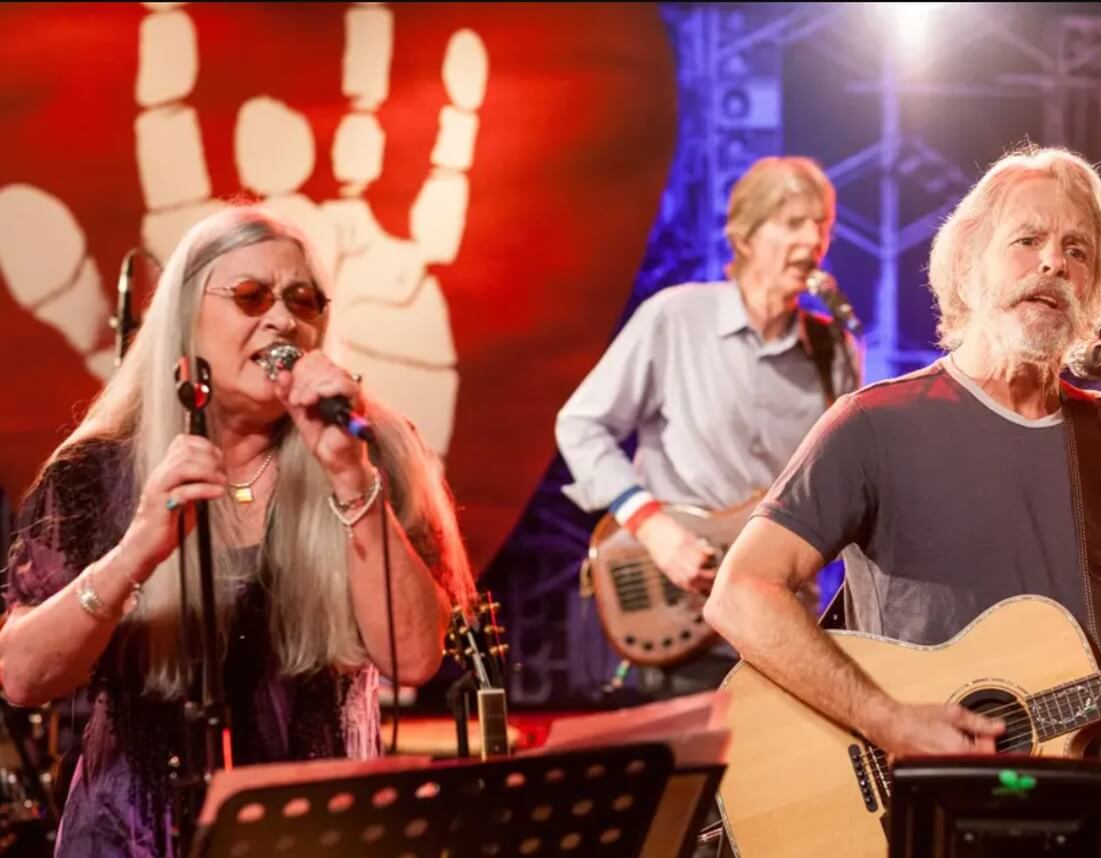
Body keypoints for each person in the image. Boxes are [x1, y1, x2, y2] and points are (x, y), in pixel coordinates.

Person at [703, 143, 1101, 759]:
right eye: (1028, 240)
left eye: (1077, 250)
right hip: (910, 810)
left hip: (1086, 810)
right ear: (971, 264)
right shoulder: (873, 424)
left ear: (1097, 287)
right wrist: (884, 718)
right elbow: (741, 593)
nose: (1054, 263)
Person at [0, 206, 473, 858]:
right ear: (186, 317)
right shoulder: (97, 473)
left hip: (319, 833)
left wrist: (350, 480)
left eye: (303, 302)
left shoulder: (373, 450)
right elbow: (22, 678)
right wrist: (137, 548)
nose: (283, 320)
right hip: (131, 838)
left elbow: (415, 658)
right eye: (251, 297)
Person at [555, 155, 861, 702]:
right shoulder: (675, 318)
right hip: (674, 603)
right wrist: (653, 527)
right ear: (744, 236)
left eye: (822, 225)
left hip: (777, 625)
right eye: (793, 223)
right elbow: (581, 425)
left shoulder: (832, 350)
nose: (812, 239)